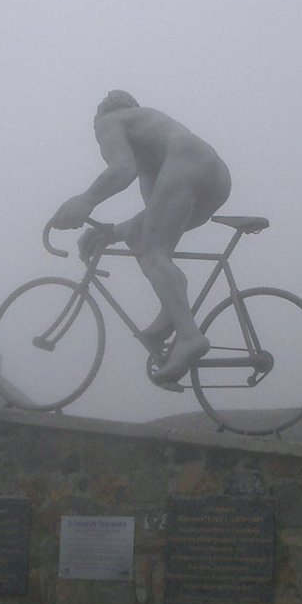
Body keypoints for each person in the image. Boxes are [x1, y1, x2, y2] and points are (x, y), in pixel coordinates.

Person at [49, 90, 232, 386]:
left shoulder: (109, 122)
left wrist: (85, 200)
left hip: (191, 162)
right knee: (147, 245)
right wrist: (110, 233)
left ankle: (189, 336)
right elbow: (149, 220)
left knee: (154, 254)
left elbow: (122, 168)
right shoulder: (154, 152)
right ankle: (170, 315)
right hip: (216, 177)